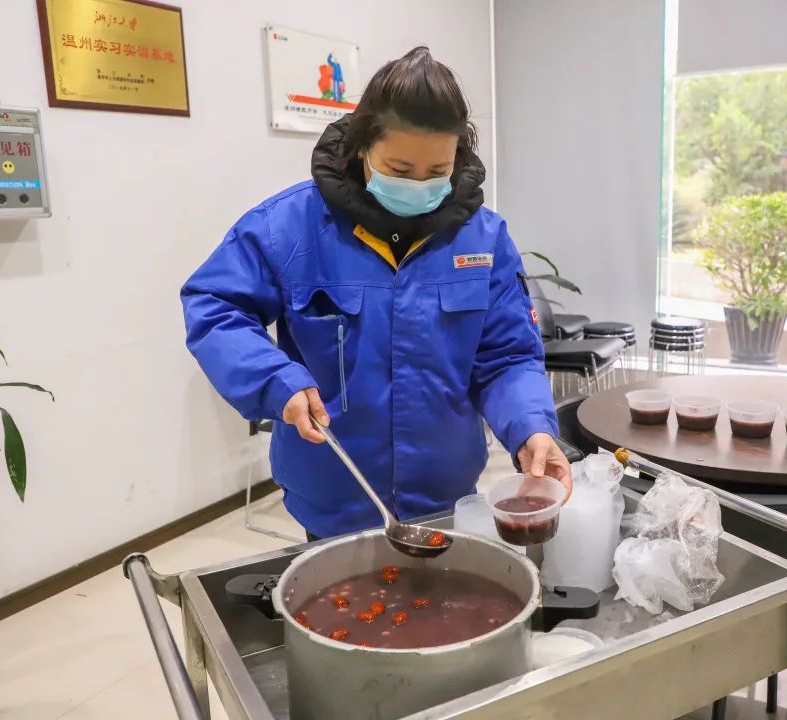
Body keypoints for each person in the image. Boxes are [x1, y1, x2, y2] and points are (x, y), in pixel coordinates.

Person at [181, 47, 571, 539]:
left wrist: (530, 426)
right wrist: (275, 379)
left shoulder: (482, 239)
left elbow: (506, 357)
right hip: (332, 491)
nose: (419, 186)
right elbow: (215, 306)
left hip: (445, 493)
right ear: (363, 146)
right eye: (401, 170)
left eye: (437, 172)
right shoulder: (289, 227)